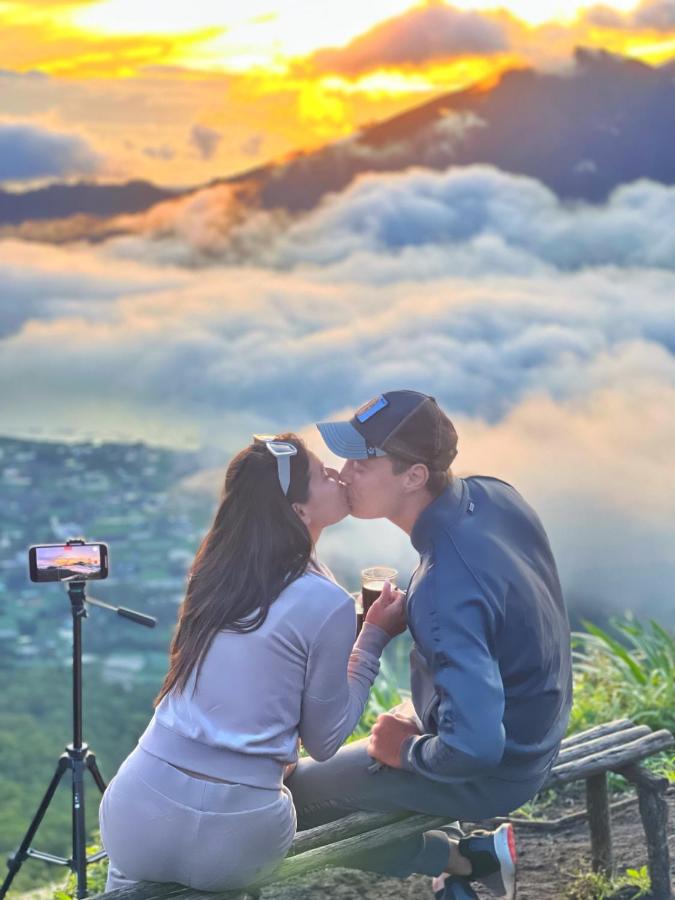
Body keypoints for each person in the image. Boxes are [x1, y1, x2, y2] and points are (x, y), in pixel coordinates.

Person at [284, 390, 573, 900]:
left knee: (289, 803)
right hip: (537, 720)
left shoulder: (443, 587)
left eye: (362, 461)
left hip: (502, 763)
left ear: (414, 476)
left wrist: (410, 751)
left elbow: (474, 747)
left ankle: (466, 858)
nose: (344, 472)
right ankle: (465, 861)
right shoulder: (491, 494)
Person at [98, 433, 408, 892]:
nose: (339, 473)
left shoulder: (216, 575)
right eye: (323, 474)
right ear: (300, 512)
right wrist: (373, 638)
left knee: (128, 884)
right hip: (239, 835)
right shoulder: (325, 602)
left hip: (138, 810)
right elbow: (324, 741)